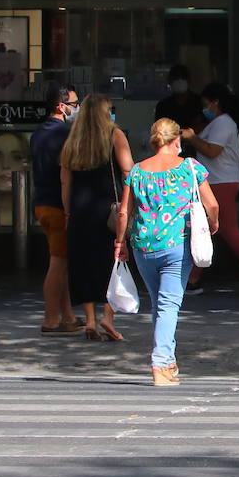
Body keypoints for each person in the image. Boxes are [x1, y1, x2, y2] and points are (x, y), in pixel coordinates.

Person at [116, 118, 219, 386]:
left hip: (143, 246)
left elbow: (125, 211)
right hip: (176, 244)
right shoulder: (191, 168)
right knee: (168, 304)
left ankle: (169, 361)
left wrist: (120, 243)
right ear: (177, 142)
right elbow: (213, 205)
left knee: (160, 304)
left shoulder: (137, 171)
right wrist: (213, 223)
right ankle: (160, 363)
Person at [181, 82, 239, 298]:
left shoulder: (223, 123)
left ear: (215, 103)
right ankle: (192, 280)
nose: (203, 107)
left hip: (220, 181)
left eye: (205, 103)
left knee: (227, 230)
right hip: (219, 180)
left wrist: (191, 138)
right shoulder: (219, 123)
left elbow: (212, 151)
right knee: (209, 229)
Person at [60, 94, 133, 342]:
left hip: (80, 211)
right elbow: (128, 171)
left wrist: (68, 212)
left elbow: (65, 180)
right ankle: (107, 317)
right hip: (108, 210)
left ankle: (90, 319)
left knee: (83, 264)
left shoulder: (73, 139)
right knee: (111, 263)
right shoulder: (115, 135)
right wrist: (128, 205)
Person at [30, 83, 82, 335]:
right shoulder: (64, 134)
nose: (77, 109)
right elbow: (66, 175)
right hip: (57, 204)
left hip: (41, 203)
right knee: (58, 263)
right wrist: (70, 208)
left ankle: (68, 316)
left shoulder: (38, 133)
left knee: (62, 262)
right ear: (60, 106)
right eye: (74, 104)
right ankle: (51, 318)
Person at [154, 65, 203, 158]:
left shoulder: (199, 102)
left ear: (189, 80)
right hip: (170, 152)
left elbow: (205, 126)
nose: (180, 81)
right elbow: (159, 130)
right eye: (176, 78)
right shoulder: (163, 105)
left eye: (183, 77)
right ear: (170, 81)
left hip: (199, 151)